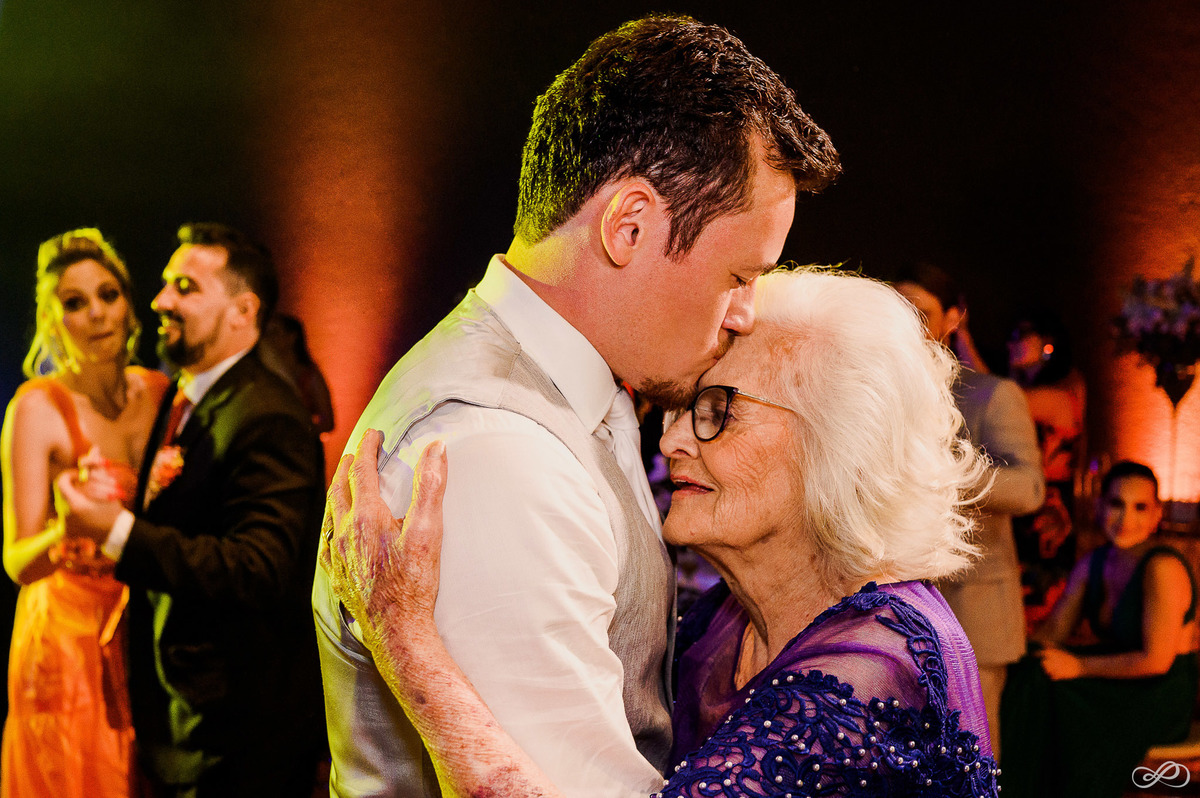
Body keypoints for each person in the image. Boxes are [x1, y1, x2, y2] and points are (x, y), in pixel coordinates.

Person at [311, 15, 841, 797]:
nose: (744, 312)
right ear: (628, 226)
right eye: (739, 275)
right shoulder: (497, 455)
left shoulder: (573, 390)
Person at [321, 268, 1001, 797]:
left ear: (836, 445)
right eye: (679, 408)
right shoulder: (725, 620)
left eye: (716, 411)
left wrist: (404, 639)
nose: (670, 439)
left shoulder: (867, 674)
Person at [54, 223, 326, 797]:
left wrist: (121, 532)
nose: (161, 301)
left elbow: (260, 569)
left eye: (186, 287)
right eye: (165, 285)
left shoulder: (267, 416)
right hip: (186, 729)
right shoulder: (190, 394)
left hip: (239, 740)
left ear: (242, 310)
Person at [1, 228, 168, 797]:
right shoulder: (36, 409)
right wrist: (64, 530)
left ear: (129, 301)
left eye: (108, 294)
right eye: (75, 303)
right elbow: (17, 562)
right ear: (53, 323)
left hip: (143, 621)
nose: (97, 313)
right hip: (66, 637)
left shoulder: (159, 390)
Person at [894, 262, 1044, 757]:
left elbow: (1027, 490)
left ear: (952, 318)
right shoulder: (874, 393)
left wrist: (939, 469)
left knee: (970, 758)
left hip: (972, 607)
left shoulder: (991, 395)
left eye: (921, 311)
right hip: (889, 603)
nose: (906, 321)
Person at [1001, 461, 1199, 798]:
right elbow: (1052, 634)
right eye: (1116, 504)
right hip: (1116, 677)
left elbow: (1156, 661)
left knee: (1059, 698)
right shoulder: (1093, 562)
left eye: (1140, 508)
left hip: (1161, 690)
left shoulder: (1161, 568)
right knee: (1031, 674)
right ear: (1099, 506)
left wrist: (1077, 667)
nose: (1126, 519)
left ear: (1155, 516)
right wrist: (1002, 655)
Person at [259, 313, 335, 434]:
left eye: (274, 332)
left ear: (292, 337)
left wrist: (301, 431)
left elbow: (328, 421)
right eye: (266, 333)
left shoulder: (309, 376)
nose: (268, 339)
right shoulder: (263, 374)